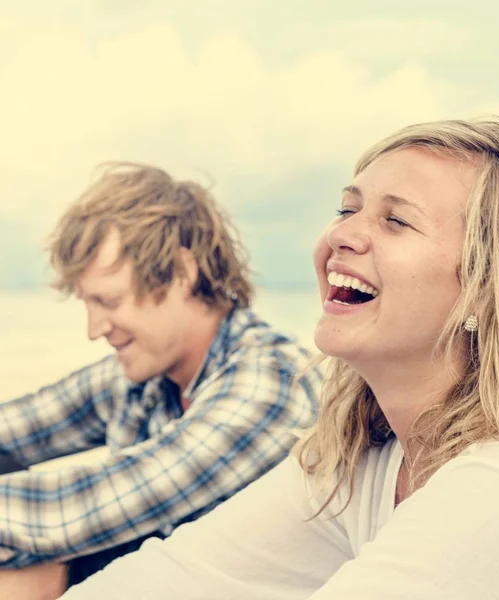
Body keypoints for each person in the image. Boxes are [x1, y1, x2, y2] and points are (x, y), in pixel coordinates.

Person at [61, 118, 499, 599]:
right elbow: (183, 573)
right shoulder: (367, 457)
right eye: (347, 209)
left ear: (488, 287)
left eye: (396, 222)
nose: (341, 234)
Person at [0, 163, 321, 595]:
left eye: (108, 301)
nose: (94, 329)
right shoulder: (146, 377)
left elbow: (72, 512)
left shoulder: (270, 383)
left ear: (180, 272)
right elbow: (16, 428)